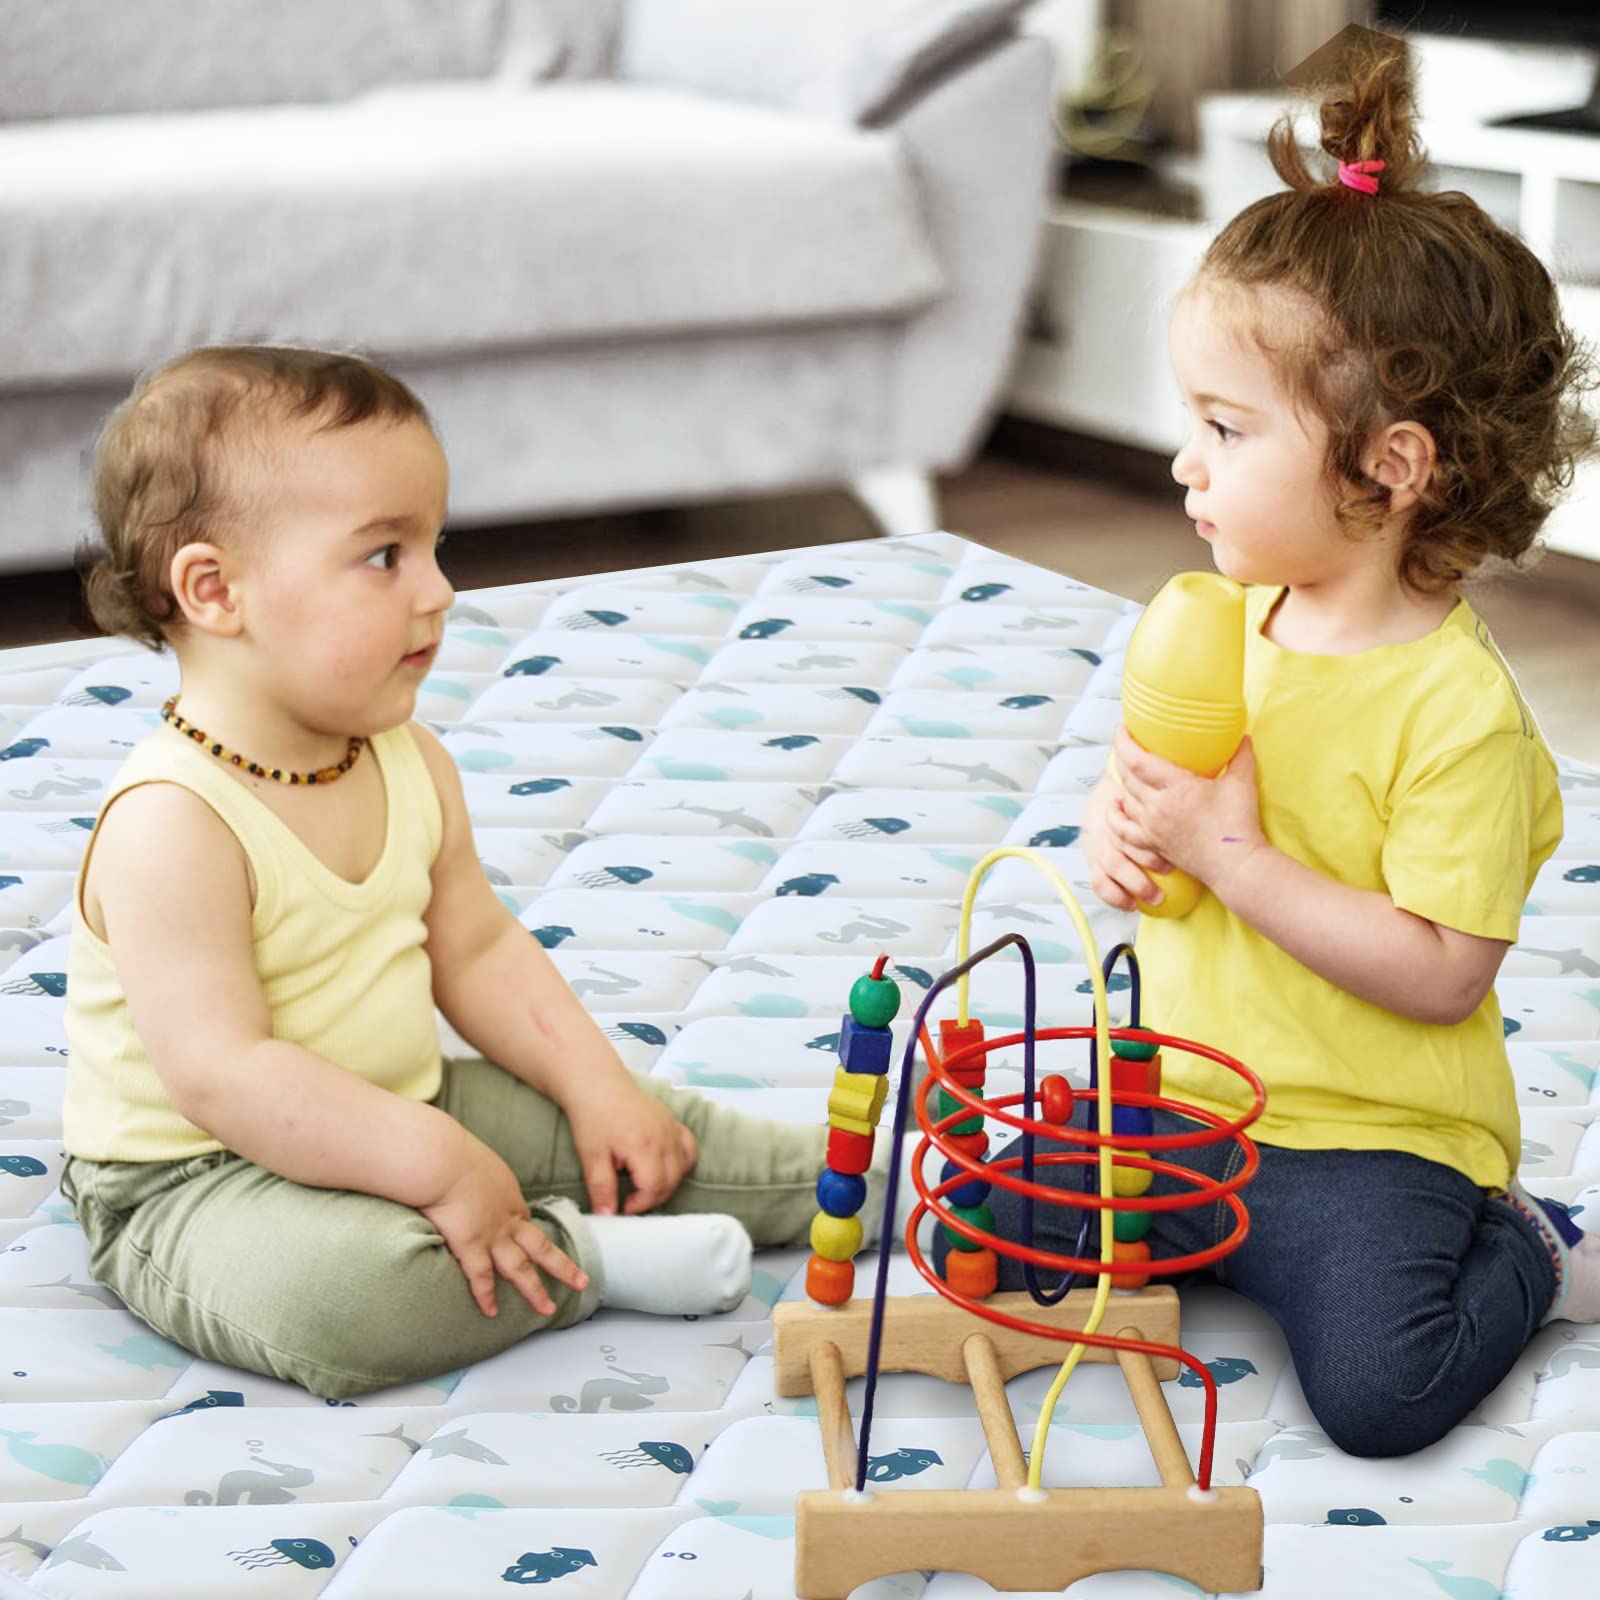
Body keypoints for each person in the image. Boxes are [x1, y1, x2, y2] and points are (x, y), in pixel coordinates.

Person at [968, 36, 1600, 1458]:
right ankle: (1181, 1235)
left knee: (1385, 1394)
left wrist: (1232, 855)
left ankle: (1539, 1255)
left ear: (1391, 467)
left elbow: (1442, 976)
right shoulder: (1224, 624)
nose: (1182, 459)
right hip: (1182, 1095)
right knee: (990, 1226)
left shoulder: (1461, 716)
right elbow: (1152, 835)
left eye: (1225, 427)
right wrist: (1126, 839)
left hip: (1367, 1141)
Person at [60, 345, 889, 1400]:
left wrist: (595, 1087)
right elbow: (226, 1074)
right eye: (384, 557)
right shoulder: (173, 822)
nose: (440, 590)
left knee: (649, 1132)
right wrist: (443, 1168)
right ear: (216, 589)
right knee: (342, 1300)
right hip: (196, 1177)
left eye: (433, 547)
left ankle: (882, 1179)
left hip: (408, 1097)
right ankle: (583, 1260)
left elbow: (480, 946)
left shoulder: (404, 758)